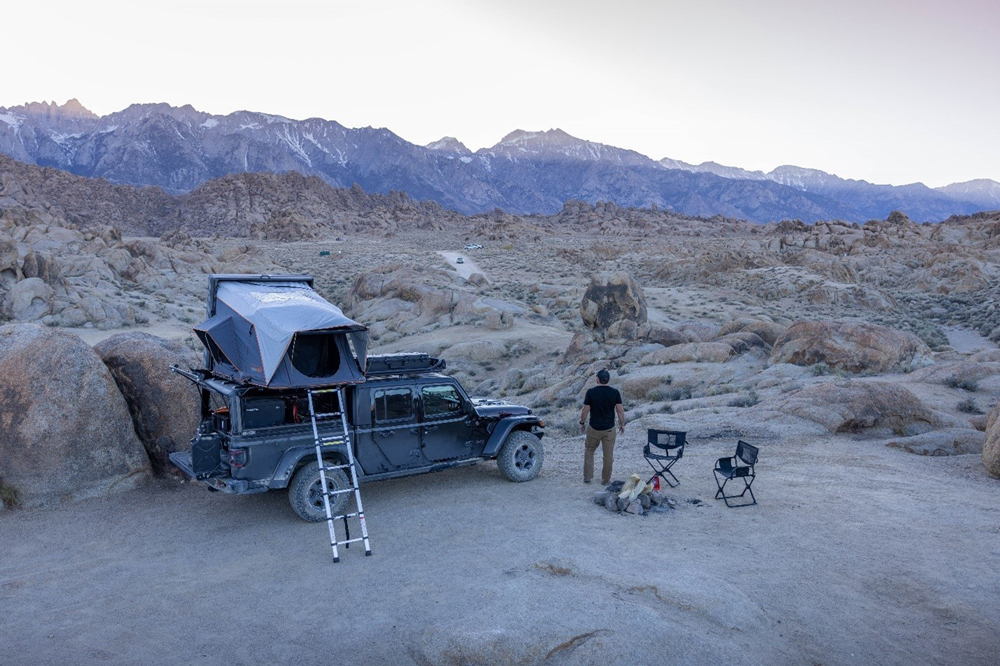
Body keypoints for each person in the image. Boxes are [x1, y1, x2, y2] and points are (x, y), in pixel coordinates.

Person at [579, 368, 625, 485]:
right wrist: (622, 424)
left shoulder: (591, 392)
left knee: (589, 450)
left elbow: (585, 410)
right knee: (608, 455)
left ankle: (588, 476)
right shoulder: (614, 392)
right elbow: (620, 410)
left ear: (597, 380)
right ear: (608, 380)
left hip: (594, 428)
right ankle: (605, 480)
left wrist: (582, 422)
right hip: (609, 428)